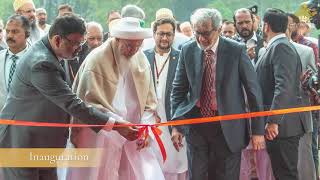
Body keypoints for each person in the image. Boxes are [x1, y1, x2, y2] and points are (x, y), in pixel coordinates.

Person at [0, 14, 138, 180]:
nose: (80, 49)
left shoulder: (53, 52)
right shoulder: (41, 63)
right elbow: (72, 103)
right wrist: (116, 125)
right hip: (20, 143)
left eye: (81, 43)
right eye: (76, 44)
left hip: (43, 144)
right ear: (58, 40)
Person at [170, 8, 265, 180]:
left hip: (228, 127)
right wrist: (176, 124)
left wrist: (258, 130)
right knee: (197, 176)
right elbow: (178, 90)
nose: (201, 38)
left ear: (219, 29)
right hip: (196, 125)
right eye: (197, 32)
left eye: (206, 33)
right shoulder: (188, 50)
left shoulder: (236, 50)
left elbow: (253, 91)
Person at [67, 17, 165, 180]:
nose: (133, 50)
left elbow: (149, 102)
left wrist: (146, 128)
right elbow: (87, 104)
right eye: (128, 45)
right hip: (101, 134)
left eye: (138, 45)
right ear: (117, 39)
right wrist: (117, 125)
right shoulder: (97, 59)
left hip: (133, 133)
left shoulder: (140, 58)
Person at [256, 8, 309, 180]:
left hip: (283, 126)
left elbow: (283, 87)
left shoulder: (281, 47)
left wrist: (273, 120)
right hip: (281, 125)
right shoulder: (277, 46)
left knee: (286, 174)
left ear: (265, 26)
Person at [144, 17, 188, 180]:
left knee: (176, 166)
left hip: (173, 121)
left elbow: (186, 95)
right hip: (149, 120)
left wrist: (179, 125)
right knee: (151, 165)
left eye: (169, 34)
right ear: (154, 34)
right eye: (161, 34)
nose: (164, 38)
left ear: (174, 35)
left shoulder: (182, 57)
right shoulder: (142, 57)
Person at [0, 15, 30, 110]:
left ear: (27, 34)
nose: (9, 35)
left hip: (27, 119)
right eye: (7, 31)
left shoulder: (38, 60)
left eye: (15, 31)